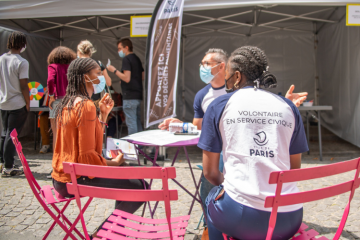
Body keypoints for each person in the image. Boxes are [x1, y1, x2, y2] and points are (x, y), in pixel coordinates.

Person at [158, 48, 308, 237]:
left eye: (227, 75)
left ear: (237, 76)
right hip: (289, 219)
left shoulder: (219, 106)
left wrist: (232, 186)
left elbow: (211, 173)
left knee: (212, 197)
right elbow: (293, 170)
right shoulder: (289, 107)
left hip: (242, 217)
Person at [51, 58, 147, 238]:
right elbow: (87, 158)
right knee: (140, 188)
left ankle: (110, 233)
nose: (102, 77)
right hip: (74, 179)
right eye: (97, 73)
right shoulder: (85, 106)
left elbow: (86, 144)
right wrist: (113, 164)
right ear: (85, 77)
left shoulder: (67, 103)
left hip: (62, 177)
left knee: (131, 179)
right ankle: (103, 235)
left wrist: (102, 114)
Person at [0, 31, 29, 177]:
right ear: (23, 44)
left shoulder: (1, 59)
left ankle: (3, 162)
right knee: (12, 136)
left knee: (5, 133)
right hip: (17, 103)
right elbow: (24, 85)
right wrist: (28, 103)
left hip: (3, 102)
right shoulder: (22, 62)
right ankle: (8, 167)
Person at [107, 38, 144, 135]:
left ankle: (133, 147)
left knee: (131, 123)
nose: (118, 51)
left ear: (126, 47)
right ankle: (140, 147)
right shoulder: (136, 58)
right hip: (137, 95)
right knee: (137, 121)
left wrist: (114, 70)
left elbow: (127, 78)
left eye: (119, 48)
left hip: (130, 96)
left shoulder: (126, 59)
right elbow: (142, 76)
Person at [47, 46, 76, 153]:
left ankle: (57, 160)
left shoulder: (52, 66)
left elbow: (50, 80)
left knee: (56, 133)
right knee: (69, 132)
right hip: (70, 101)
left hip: (56, 101)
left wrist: (51, 95)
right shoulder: (71, 68)